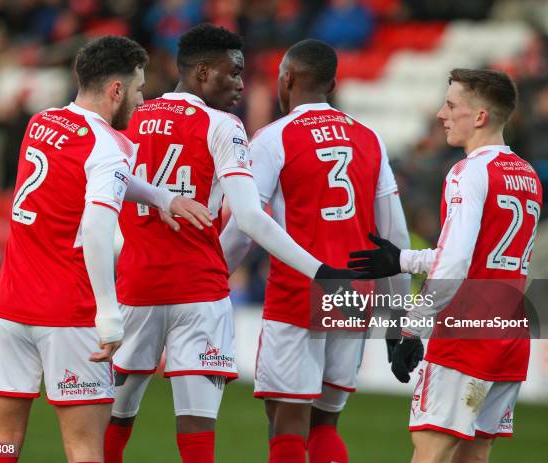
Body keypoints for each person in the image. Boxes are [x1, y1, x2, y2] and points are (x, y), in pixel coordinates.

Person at [103, 26, 362, 463]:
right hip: (200, 290)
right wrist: (319, 270)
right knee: (198, 432)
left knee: (115, 418)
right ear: (203, 71)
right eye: (234, 73)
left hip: (136, 284)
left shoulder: (131, 117)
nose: (242, 84)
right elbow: (249, 217)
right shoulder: (223, 126)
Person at [0, 35, 211, 463]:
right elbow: (99, 223)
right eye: (139, 90)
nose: (142, 101)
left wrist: (161, 198)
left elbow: (87, 179)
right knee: (85, 449)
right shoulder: (111, 147)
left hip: (8, 308)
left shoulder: (42, 122)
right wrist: (109, 316)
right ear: (116, 90)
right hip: (69, 314)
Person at [220, 39, 411, 463]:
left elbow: (246, 224)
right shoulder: (369, 138)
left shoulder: (273, 138)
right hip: (356, 296)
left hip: (299, 292)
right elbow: (395, 234)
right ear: (334, 83)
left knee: (286, 421)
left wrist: (215, 275)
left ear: (286, 79)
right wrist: (398, 317)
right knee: (325, 423)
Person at [348, 69, 543, 463]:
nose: (441, 114)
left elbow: (456, 260)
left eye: (452, 105)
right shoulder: (527, 175)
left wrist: (413, 326)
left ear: (481, 116)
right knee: (474, 452)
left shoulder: (468, 172)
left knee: (431, 450)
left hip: (465, 330)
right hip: (510, 329)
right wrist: (401, 259)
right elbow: (478, 257)